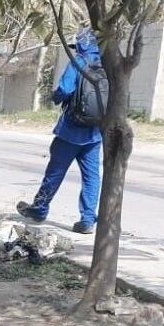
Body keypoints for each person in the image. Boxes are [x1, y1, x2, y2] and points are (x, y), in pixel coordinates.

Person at [17, 31, 103, 234]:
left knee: (55, 172)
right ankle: (88, 219)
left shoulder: (79, 62)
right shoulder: (106, 64)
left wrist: (55, 96)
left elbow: (64, 90)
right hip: (95, 132)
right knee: (91, 177)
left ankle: (39, 209)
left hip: (71, 131)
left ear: (80, 45)